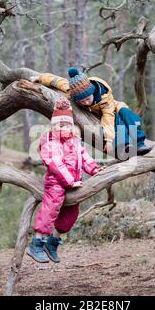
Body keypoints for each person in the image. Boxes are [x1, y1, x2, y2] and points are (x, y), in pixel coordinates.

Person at [27, 99, 101, 263]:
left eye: (67, 124)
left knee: (71, 214)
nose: (63, 128)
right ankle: (37, 243)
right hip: (57, 182)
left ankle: (52, 243)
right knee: (51, 208)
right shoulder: (49, 140)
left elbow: (84, 157)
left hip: (74, 183)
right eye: (59, 125)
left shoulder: (74, 140)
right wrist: (69, 181)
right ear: (53, 126)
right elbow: (55, 163)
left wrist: (94, 169)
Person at [30, 67, 151, 159]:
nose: (86, 103)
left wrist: (108, 141)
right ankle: (126, 146)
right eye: (82, 101)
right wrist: (40, 78)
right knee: (118, 125)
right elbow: (57, 81)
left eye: (88, 99)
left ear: (92, 92)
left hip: (115, 108)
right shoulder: (72, 90)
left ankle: (139, 143)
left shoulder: (104, 98)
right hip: (100, 114)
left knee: (125, 117)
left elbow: (108, 118)